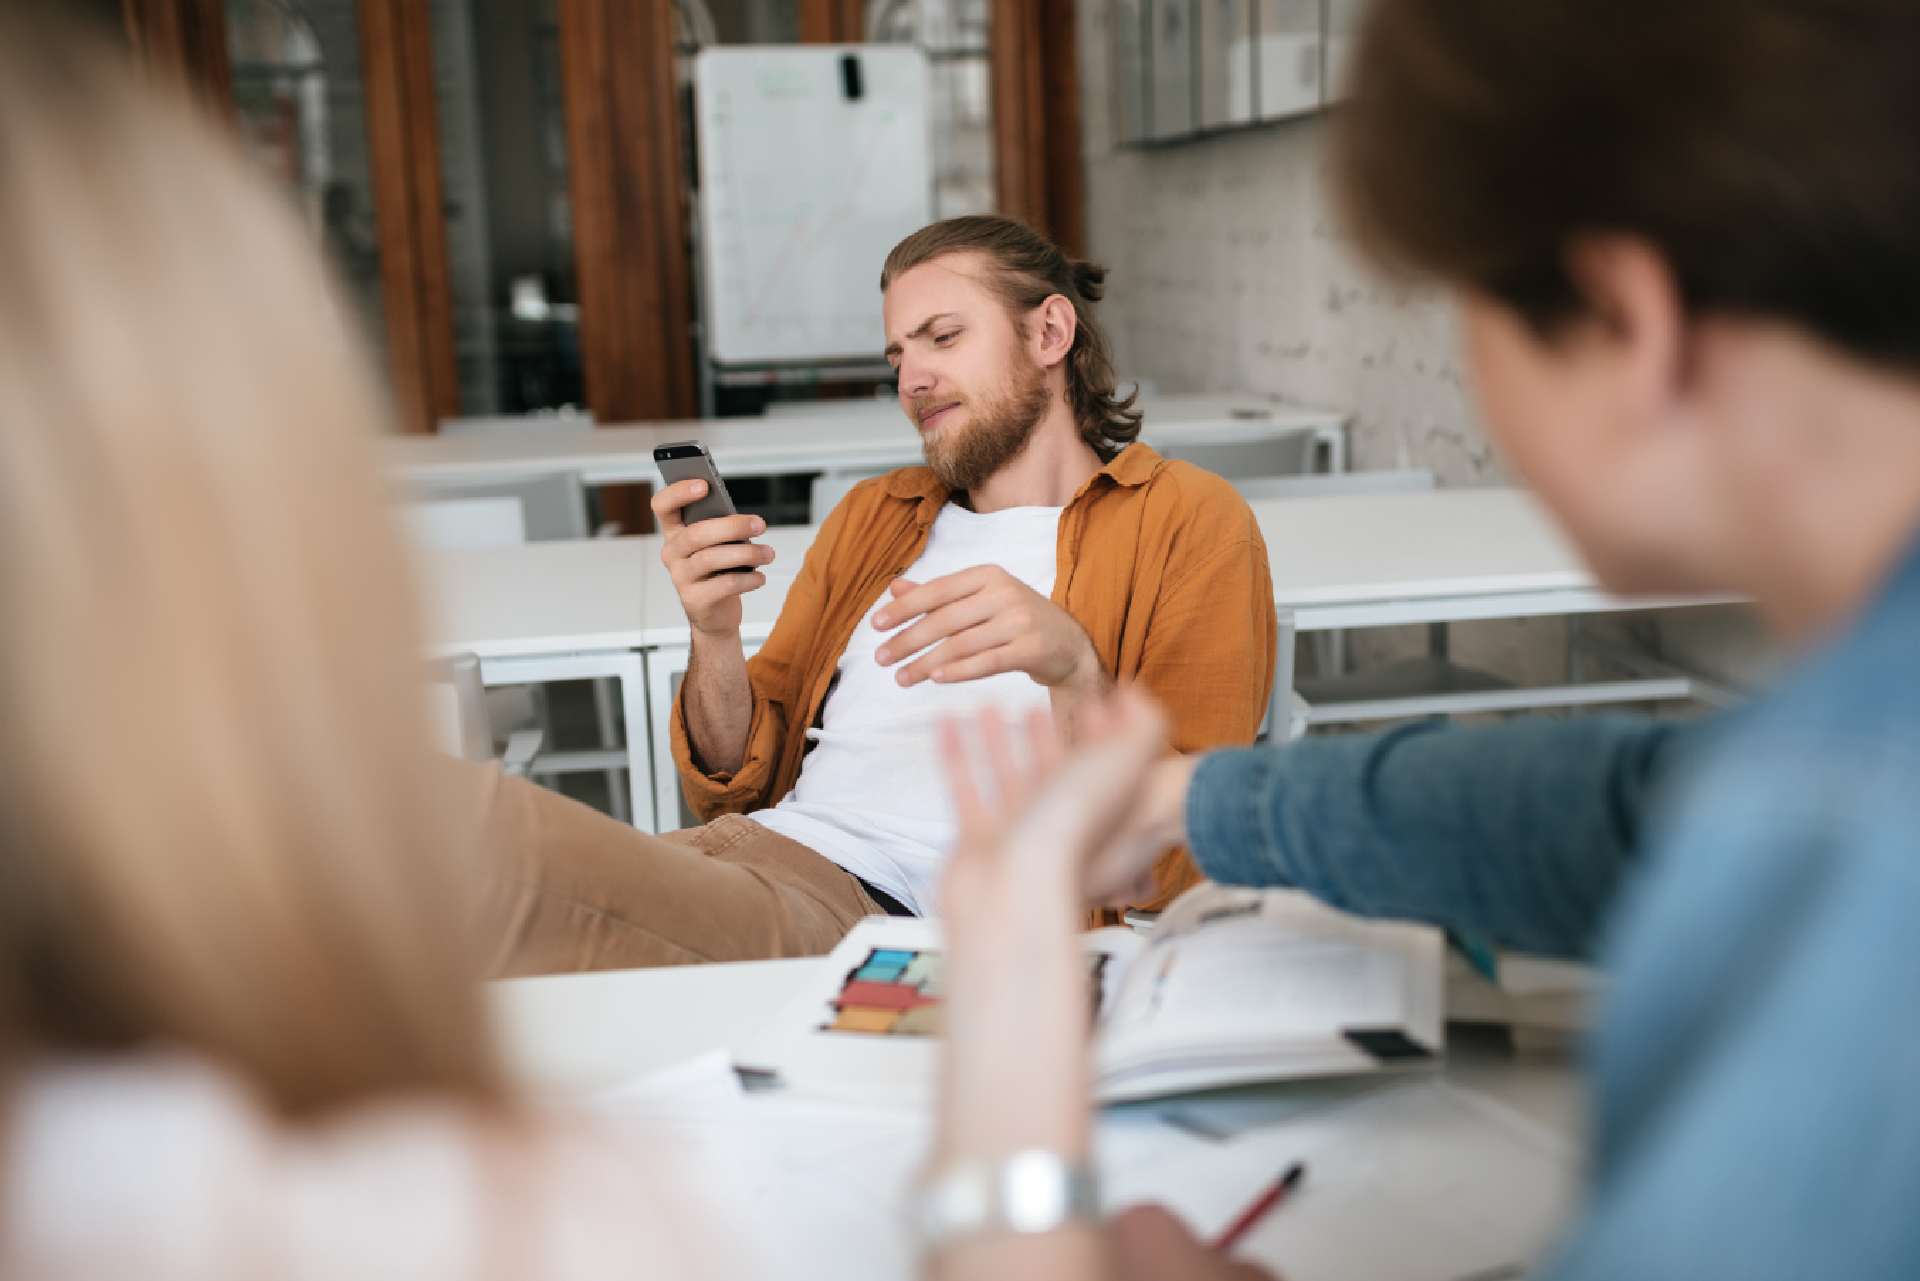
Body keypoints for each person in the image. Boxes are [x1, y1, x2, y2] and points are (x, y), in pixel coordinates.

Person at [919, 1, 1920, 1278]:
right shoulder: (1836, 749)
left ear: (1622, 323)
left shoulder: (1857, 830)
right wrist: (1194, 797)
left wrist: (1011, 1139)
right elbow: (1635, 811)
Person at [471, 215, 1279, 975]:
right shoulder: (878, 514)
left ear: (1050, 333)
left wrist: (1073, 668)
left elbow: (1183, 854)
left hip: (881, 920)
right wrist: (715, 635)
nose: (912, 379)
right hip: (747, 854)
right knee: (453, 855)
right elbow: (735, 777)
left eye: (944, 338)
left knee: (488, 852)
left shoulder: (1188, 522)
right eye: (897, 355)